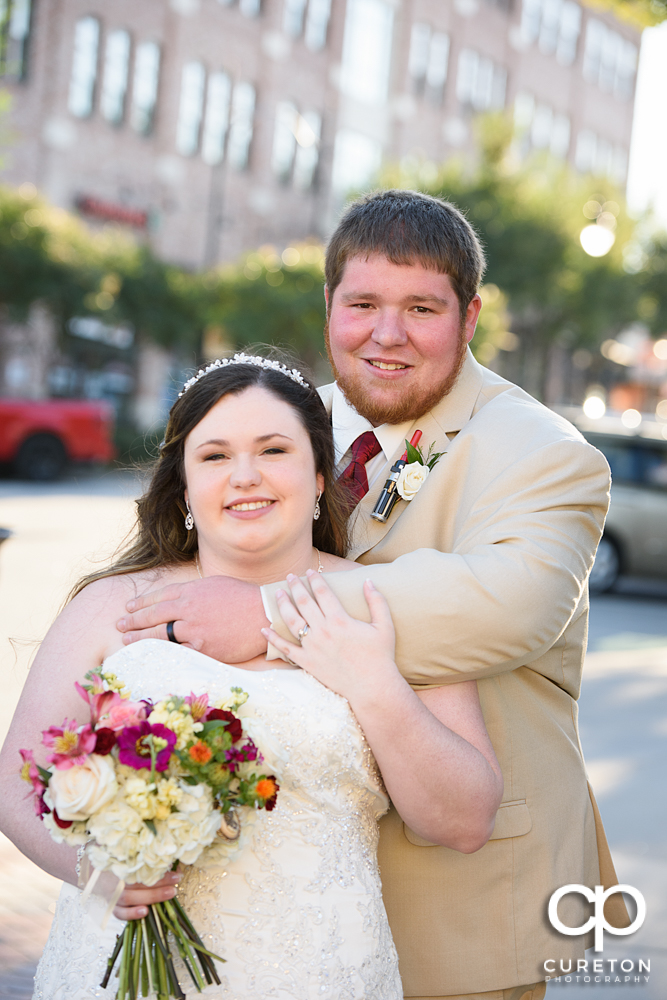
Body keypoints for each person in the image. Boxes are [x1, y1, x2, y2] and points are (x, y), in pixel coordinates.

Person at [117, 191, 628, 1000]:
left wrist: (262, 613)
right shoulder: (286, 420)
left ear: (469, 317)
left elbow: (509, 604)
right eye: (362, 304)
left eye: (421, 307)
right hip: (271, 884)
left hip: (461, 892)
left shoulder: (542, 452)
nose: (385, 335)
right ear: (328, 307)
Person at [0, 353, 503, 1000]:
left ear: (319, 475)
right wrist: (102, 873)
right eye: (213, 456)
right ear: (182, 486)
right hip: (121, 967)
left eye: (273, 449)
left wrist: (372, 682)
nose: (244, 476)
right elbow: (16, 784)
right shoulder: (111, 607)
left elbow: (463, 821)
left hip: (318, 969)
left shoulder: (389, 602)